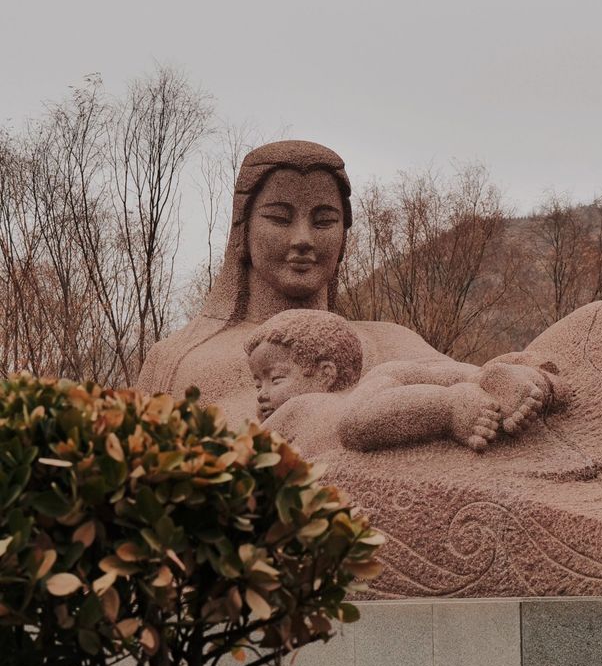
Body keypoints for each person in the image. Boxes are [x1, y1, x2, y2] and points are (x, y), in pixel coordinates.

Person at [137, 140, 564, 441]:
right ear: (242, 231)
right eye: (280, 218)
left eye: (323, 220)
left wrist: (529, 379)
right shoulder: (180, 360)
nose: (303, 238)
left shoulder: (390, 339)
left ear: (343, 237)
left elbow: (465, 377)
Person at [245, 308, 568, 454]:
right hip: (389, 386)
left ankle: (453, 405)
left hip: (367, 403)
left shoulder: (300, 408)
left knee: (355, 426)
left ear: (326, 373)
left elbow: (246, 462)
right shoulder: (380, 377)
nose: (261, 394)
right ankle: (516, 377)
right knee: (431, 372)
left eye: (275, 379)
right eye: (257, 384)